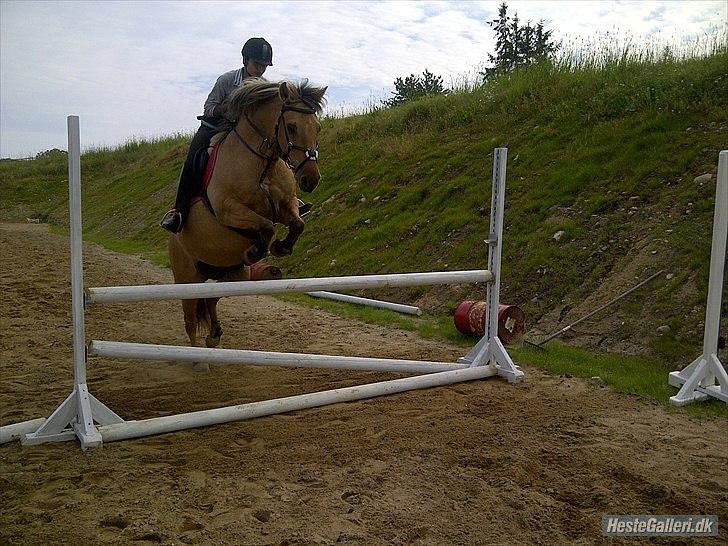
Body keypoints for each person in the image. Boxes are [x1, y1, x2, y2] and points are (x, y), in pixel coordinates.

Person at [160, 37, 312, 233]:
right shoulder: (226, 80)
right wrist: (225, 109)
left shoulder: (265, 87)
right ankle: (179, 211)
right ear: (245, 60)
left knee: (280, 149)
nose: (260, 69)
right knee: (194, 157)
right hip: (218, 128)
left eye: (264, 66)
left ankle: (289, 199)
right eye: (257, 64)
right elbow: (208, 108)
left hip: (248, 134)